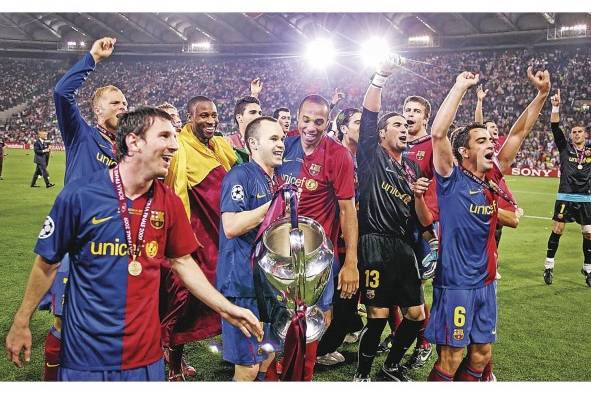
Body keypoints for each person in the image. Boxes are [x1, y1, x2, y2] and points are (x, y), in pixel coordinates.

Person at [5, 106, 263, 381]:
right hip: (85, 356)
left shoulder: (169, 203)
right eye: (164, 136)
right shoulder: (80, 196)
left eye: (175, 137)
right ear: (134, 141)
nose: (174, 146)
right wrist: (22, 320)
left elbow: (184, 263)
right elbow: (47, 262)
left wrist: (228, 308)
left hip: (145, 359)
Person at [426, 68, 550, 381]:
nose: (490, 142)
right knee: (451, 358)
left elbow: (519, 133)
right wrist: (459, 87)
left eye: (490, 139)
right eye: (481, 140)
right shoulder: (450, 179)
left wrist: (542, 95)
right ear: (464, 152)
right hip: (456, 284)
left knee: (482, 355)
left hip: (486, 283)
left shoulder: (492, 177)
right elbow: (438, 134)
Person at [38, 36, 127, 381]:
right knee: (63, 321)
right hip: (78, 242)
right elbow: (62, 93)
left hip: (114, 244)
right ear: (97, 110)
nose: (123, 106)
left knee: (106, 321)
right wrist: (92, 57)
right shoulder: (80, 134)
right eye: (115, 102)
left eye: (125, 102)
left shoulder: (127, 148)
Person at [352, 61, 431, 382]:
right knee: (377, 317)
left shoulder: (412, 169)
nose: (402, 128)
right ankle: (362, 375)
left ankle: (390, 367)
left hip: (403, 249)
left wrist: (418, 196)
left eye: (405, 125)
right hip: (373, 243)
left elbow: (423, 220)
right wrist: (380, 78)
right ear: (381, 134)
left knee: (416, 315)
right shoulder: (372, 155)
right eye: (395, 124)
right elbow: (369, 115)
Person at [277, 94, 358, 380]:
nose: (311, 127)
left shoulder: (338, 155)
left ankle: (305, 377)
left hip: (316, 258)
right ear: (296, 119)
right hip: (279, 255)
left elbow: (348, 210)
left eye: (319, 121)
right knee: (278, 322)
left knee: (315, 320)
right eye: (306, 120)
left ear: (328, 122)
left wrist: (351, 262)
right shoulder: (282, 146)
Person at [164, 95, 238, 380]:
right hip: (199, 238)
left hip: (222, 234)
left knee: (222, 293)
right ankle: (173, 367)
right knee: (186, 300)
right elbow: (177, 194)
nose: (210, 120)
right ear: (189, 117)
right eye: (203, 115)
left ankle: (234, 353)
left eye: (213, 115)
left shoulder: (219, 144)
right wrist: (182, 242)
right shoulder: (181, 147)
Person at [218, 116, 286, 381]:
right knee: (247, 368)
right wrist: (272, 209)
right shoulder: (240, 175)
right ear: (253, 144)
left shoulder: (275, 180)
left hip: (268, 283)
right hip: (242, 284)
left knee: (267, 356)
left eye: (281, 138)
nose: (280, 144)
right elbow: (231, 226)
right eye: (273, 139)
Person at [316, 107, 364, 365]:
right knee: (339, 302)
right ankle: (317, 350)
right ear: (343, 128)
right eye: (358, 122)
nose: (363, 126)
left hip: (357, 239)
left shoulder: (366, 157)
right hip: (337, 242)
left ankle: (329, 342)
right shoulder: (335, 156)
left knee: (348, 303)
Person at [543, 89, 591, 288]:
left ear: (586, 135)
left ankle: (588, 269)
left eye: (580, 131)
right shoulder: (565, 148)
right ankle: (548, 266)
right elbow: (555, 126)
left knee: (589, 233)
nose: (576, 134)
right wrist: (555, 106)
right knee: (558, 229)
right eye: (574, 132)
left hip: (586, 198)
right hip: (565, 196)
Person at [228, 95, 263, 163]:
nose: (258, 116)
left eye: (260, 113)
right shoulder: (229, 143)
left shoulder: (266, 143)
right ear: (239, 118)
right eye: (252, 112)